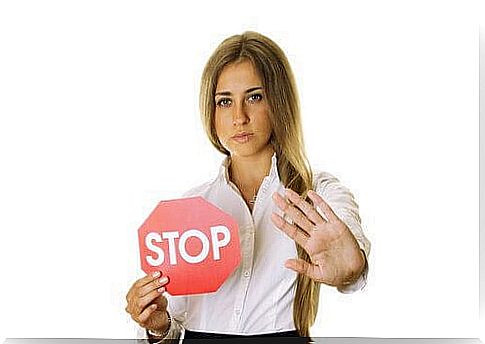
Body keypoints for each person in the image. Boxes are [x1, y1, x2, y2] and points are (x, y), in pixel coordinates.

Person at [125, 31, 371, 343]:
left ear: (279, 103)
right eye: (224, 101)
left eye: (254, 97)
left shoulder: (318, 193)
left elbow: (350, 260)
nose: (239, 117)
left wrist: (350, 268)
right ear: (211, 111)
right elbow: (172, 324)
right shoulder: (189, 207)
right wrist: (157, 324)